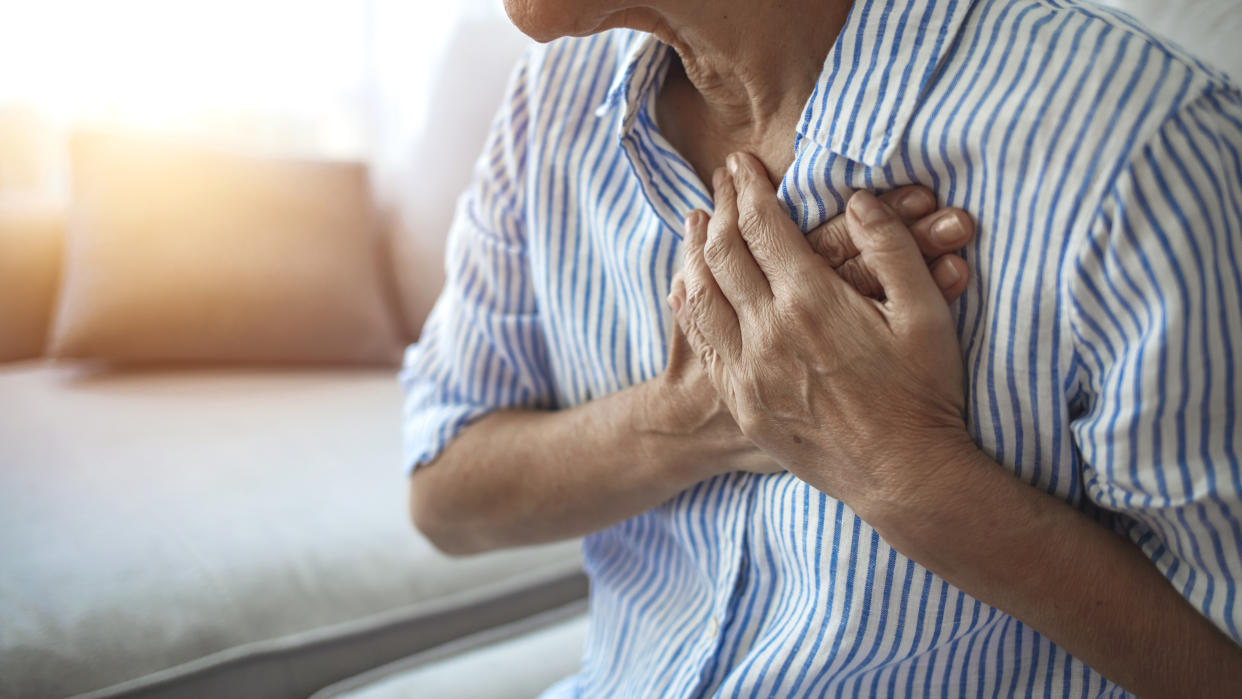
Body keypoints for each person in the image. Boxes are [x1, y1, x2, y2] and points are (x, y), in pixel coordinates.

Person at [400, 0, 1242, 695]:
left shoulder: (1144, 150)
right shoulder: (551, 100)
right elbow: (445, 493)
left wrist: (907, 470)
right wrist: (706, 411)